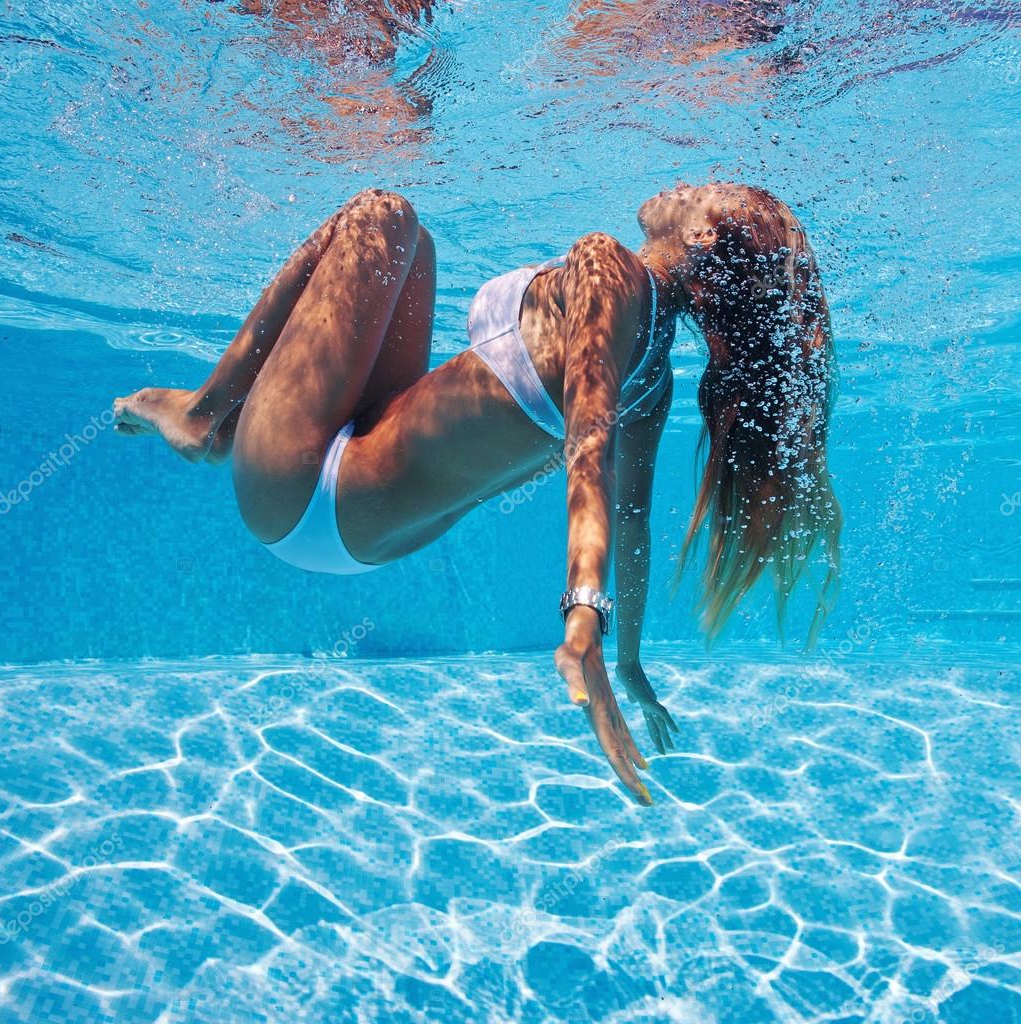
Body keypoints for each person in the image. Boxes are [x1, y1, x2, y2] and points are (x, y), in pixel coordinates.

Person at [113, 183, 840, 806]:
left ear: (706, 232)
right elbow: (632, 517)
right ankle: (223, 418)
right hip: (361, 535)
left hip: (299, 487)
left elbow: (587, 447)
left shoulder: (606, 264)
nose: (696, 179)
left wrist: (583, 619)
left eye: (718, 186)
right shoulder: (655, 369)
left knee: (383, 216)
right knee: (413, 247)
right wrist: (628, 663)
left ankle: (206, 418)